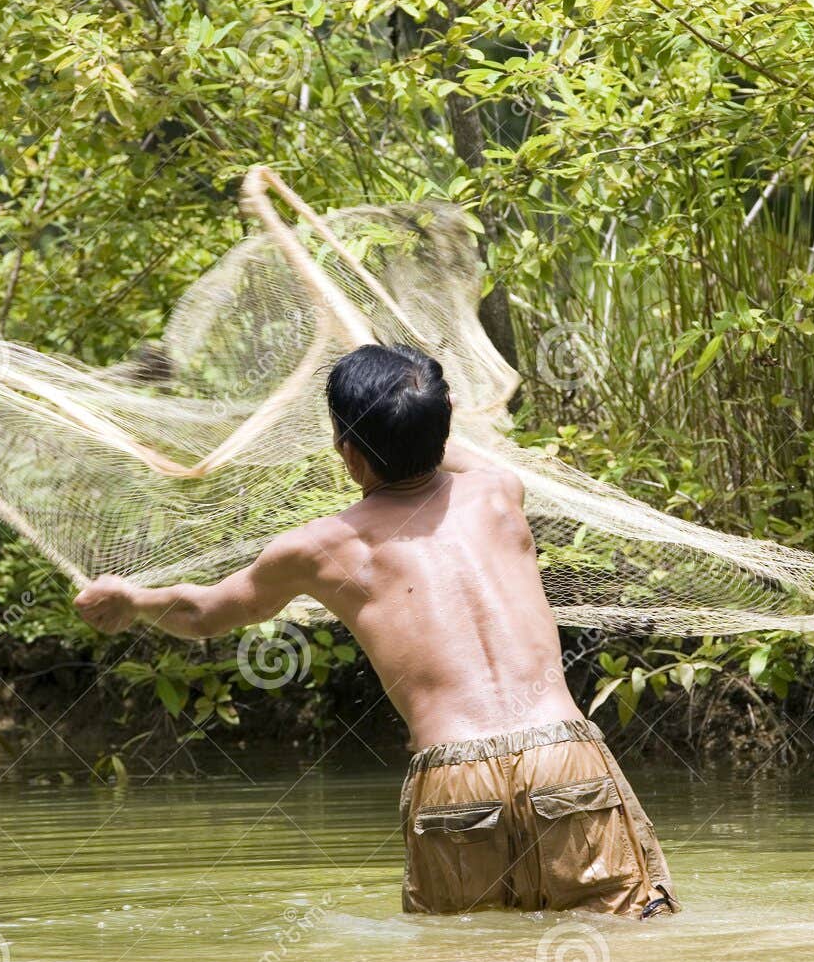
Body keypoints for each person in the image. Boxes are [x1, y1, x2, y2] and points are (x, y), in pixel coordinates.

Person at [74, 344, 678, 918]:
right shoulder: (500, 493)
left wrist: (132, 598)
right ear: (442, 426)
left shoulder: (319, 547)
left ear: (349, 454)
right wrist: (409, 409)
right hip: (562, 754)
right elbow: (453, 453)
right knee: (624, 936)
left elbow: (202, 613)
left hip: (453, 776)